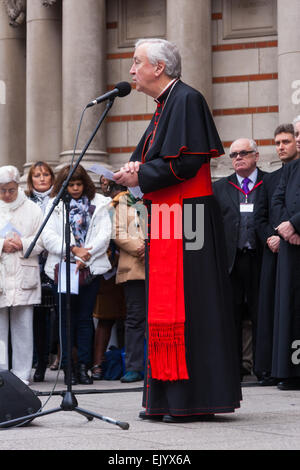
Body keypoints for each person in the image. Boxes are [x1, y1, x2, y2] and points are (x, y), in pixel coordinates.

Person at [114, 38, 241, 423]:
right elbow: (151, 160)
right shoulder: (163, 106)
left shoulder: (186, 100)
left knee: (192, 303)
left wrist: (139, 175)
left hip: (191, 216)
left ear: (159, 68)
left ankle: (194, 399)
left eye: (137, 63)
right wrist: (127, 174)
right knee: (166, 305)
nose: (131, 71)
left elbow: (183, 164)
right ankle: (168, 399)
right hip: (170, 214)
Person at [42, 164, 112, 385]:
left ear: (85, 184)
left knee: (84, 319)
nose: (75, 188)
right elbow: (48, 236)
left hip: (89, 267)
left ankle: (84, 366)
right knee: (65, 319)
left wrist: (84, 256)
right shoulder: (54, 205)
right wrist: (73, 249)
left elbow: (105, 234)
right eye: (70, 184)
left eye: (79, 184)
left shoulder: (100, 203)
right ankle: (68, 368)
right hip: (62, 267)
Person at [213, 138, 265, 380]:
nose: (238, 158)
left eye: (243, 153)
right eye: (233, 155)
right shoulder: (221, 187)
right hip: (231, 262)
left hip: (260, 259)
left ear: (256, 156)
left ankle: (263, 367)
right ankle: (233, 369)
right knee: (231, 315)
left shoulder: (270, 182)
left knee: (261, 313)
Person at [255, 124, 299, 386]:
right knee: (276, 312)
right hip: (277, 247)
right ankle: (274, 367)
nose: (282, 146)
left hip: (292, 242)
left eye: (287, 141)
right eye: (278, 142)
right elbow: (269, 208)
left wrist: (293, 228)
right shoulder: (273, 177)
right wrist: (279, 233)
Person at [0, 165, 44, 385]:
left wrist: (22, 243)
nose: (7, 194)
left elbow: (42, 240)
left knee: (23, 329)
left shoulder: (33, 209)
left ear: (17, 186)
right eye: (2, 190)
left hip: (23, 274)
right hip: (1, 275)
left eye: (10, 189)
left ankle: (21, 376)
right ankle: (1, 375)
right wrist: (1, 245)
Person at [91, 176, 127, 381]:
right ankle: (103, 363)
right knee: (110, 319)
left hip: (118, 266)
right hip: (110, 267)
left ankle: (101, 365)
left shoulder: (124, 205)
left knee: (111, 320)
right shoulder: (106, 207)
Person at [271, 142, 300, 390]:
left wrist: (297, 224)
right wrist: (287, 227)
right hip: (291, 247)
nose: (298, 139)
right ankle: (291, 371)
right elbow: (277, 199)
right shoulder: (291, 169)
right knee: (289, 309)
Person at [26, 161, 56, 382]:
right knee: (31, 317)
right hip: (30, 262)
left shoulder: (58, 201)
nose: (42, 178)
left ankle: (47, 361)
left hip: (52, 261)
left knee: (49, 317)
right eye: (37, 175)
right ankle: (34, 361)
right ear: (31, 180)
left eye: (46, 174)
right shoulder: (25, 202)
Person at [113, 187, 146, 383]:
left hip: (158, 265)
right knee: (134, 319)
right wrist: (140, 248)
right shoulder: (122, 203)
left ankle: (154, 365)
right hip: (133, 268)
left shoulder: (159, 197)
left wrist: (151, 246)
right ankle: (133, 367)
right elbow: (117, 231)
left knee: (157, 319)